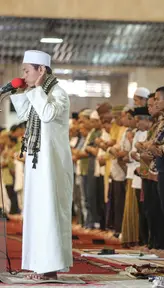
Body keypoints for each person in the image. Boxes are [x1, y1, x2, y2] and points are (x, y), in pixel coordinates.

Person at [10, 50, 73, 280]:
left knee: (50, 212)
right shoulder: (38, 92)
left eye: (27, 71)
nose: (24, 75)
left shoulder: (59, 94)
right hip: (37, 161)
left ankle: (50, 268)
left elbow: (46, 114)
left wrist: (35, 90)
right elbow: (26, 113)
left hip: (52, 163)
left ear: (42, 70)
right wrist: (20, 92)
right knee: (37, 212)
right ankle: (38, 264)